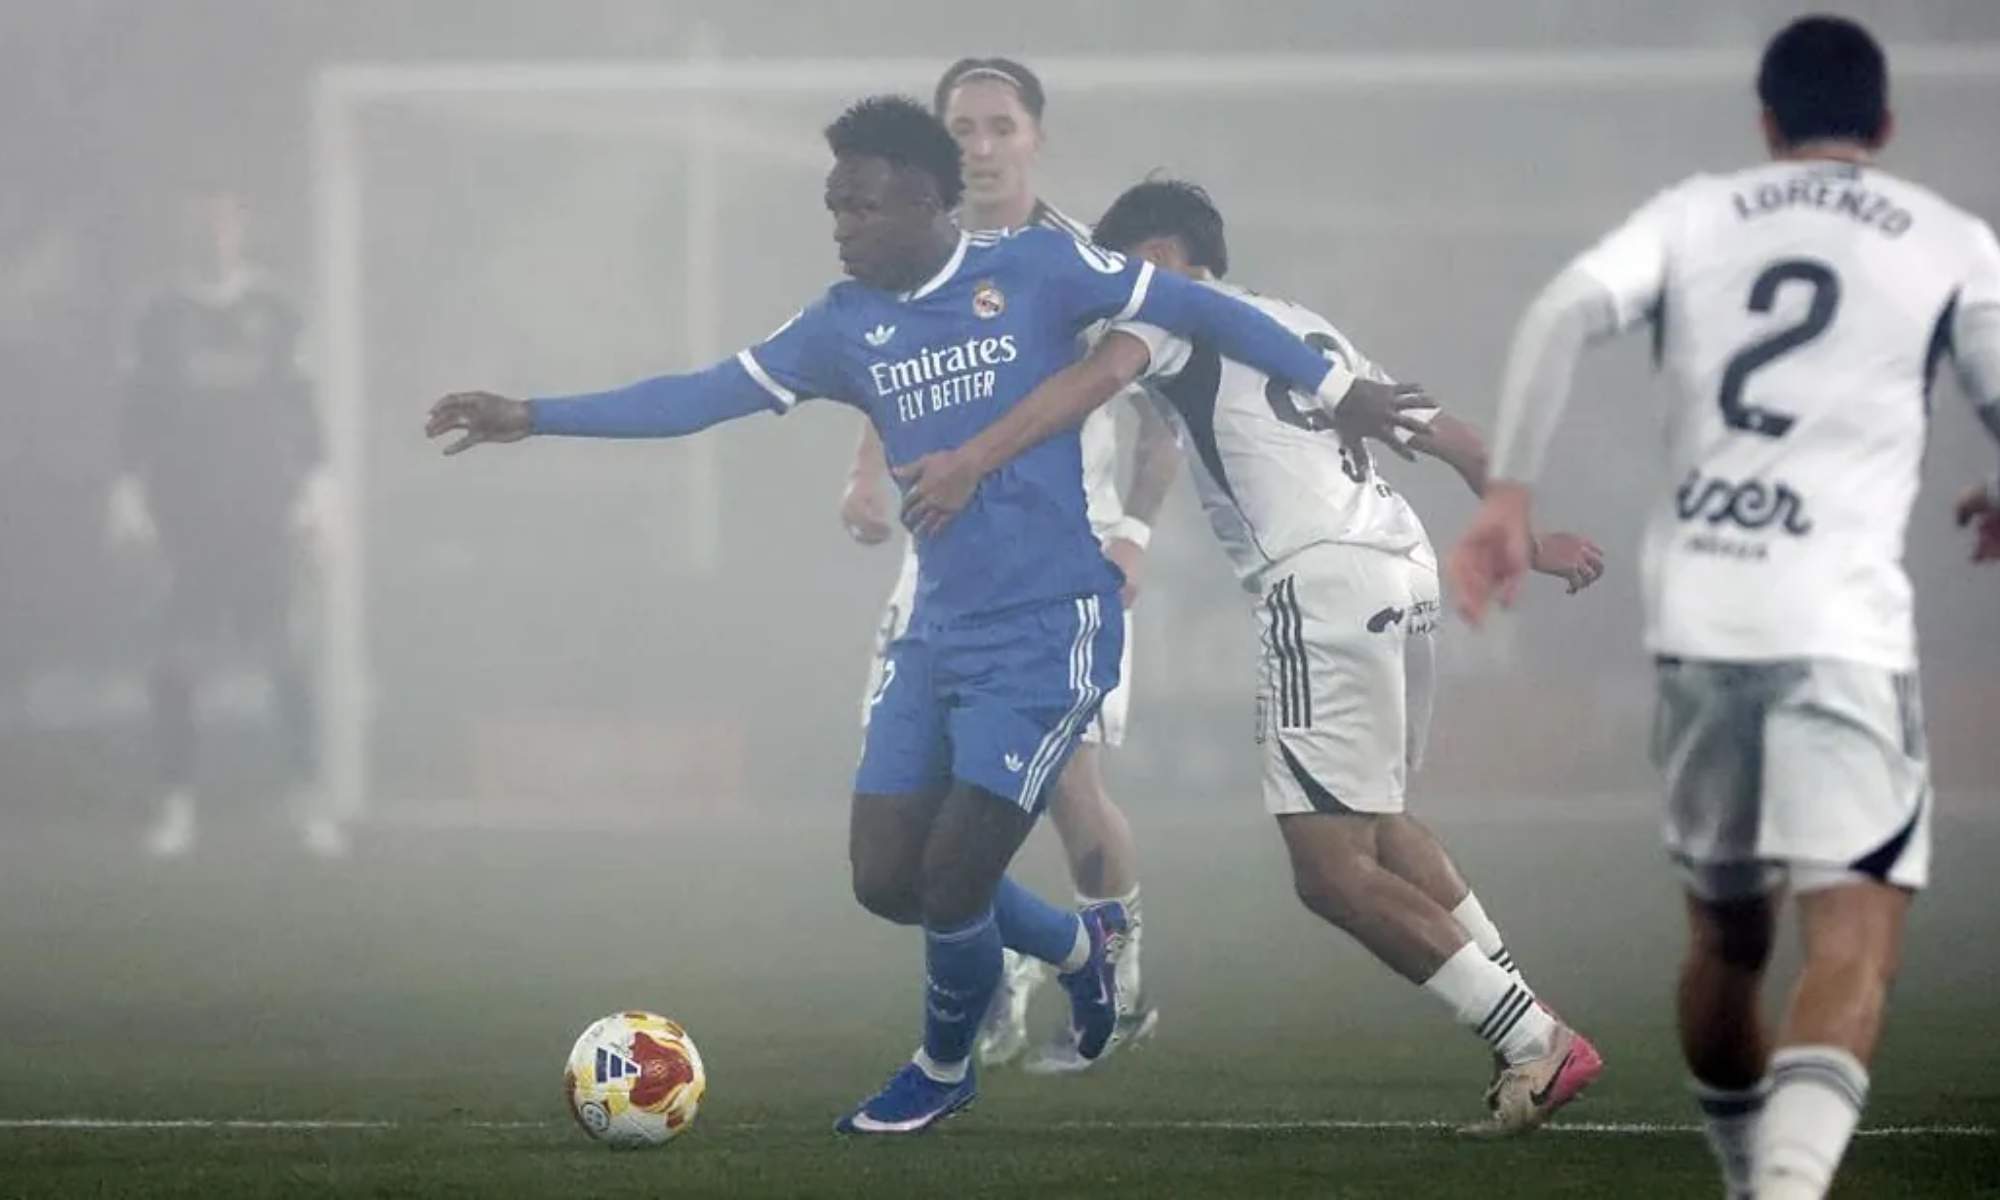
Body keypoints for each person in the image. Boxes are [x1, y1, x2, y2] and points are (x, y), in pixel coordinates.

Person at [425, 96, 1420, 1135]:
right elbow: (697, 395)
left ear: (928, 200)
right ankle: (1081, 953)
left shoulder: (1035, 271)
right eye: (833, 208)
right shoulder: (839, 324)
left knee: (951, 877)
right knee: (883, 880)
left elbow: (1194, 307)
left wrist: (1331, 382)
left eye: (859, 206)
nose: (841, 226)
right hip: (936, 633)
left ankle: (941, 1071)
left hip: (1049, 628)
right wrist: (533, 416)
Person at [896, 177, 1608, 1136]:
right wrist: (1531, 532)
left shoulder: (1176, 317)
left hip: (1318, 583)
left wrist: (973, 456)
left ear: (1162, 256)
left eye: (1123, 266)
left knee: (1329, 870)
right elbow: (1443, 432)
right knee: (1385, 829)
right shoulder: (1308, 328)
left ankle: (1533, 1039)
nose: (1114, 290)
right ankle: (1529, 1027)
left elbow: (1092, 383)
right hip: (1401, 572)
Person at [1445, 16, 2000, 1197]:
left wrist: (1507, 497)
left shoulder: (1698, 211)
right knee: (1849, 942)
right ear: (1885, 128)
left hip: (1699, 620)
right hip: (1839, 624)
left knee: (1723, 946)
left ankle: (1754, 1180)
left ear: (1764, 123)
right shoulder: (1951, 240)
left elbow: (1558, 312)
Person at [838, 56, 1174, 1070]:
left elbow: (1159, 415)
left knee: (1071, 795)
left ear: (1034, 136)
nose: (980, 149)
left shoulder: (1078, 264)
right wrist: (863, 473)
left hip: (1054, 571)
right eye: (962, 131)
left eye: (999, 127)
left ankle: (1115, 975)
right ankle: (984, 981)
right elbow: (878, 370)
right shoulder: (919, 255)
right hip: (939, 564)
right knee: (921, 812)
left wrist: (1133, 537)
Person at [109, 187, 342, 859]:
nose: (216, 235)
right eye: (203, 221)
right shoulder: (158, 314)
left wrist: (319, 490)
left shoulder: (278, 310)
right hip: (185, 515)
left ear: (245, 229)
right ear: (187, 230)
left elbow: (304, 406)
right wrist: (126, 490)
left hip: (263, 510)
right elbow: (137, 409)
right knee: (176, 661)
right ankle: (176, 805)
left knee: (286, 655)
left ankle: (308, 803)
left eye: (228, 221)